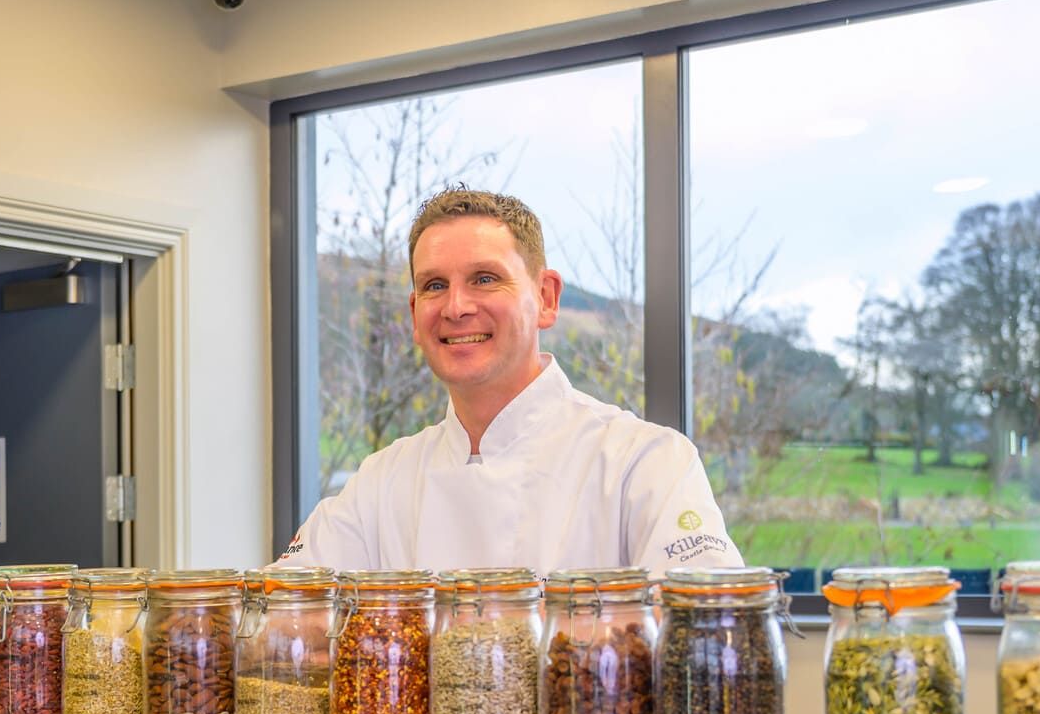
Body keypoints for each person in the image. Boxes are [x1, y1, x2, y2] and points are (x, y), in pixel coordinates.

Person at [280, 188, 739, 573]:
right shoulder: (380, 482)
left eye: (484, 278)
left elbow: (705, 631)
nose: (456, 306)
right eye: (435, 285)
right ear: (414, 314)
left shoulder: (643, 462)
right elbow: (282, 612)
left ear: (545, 298)